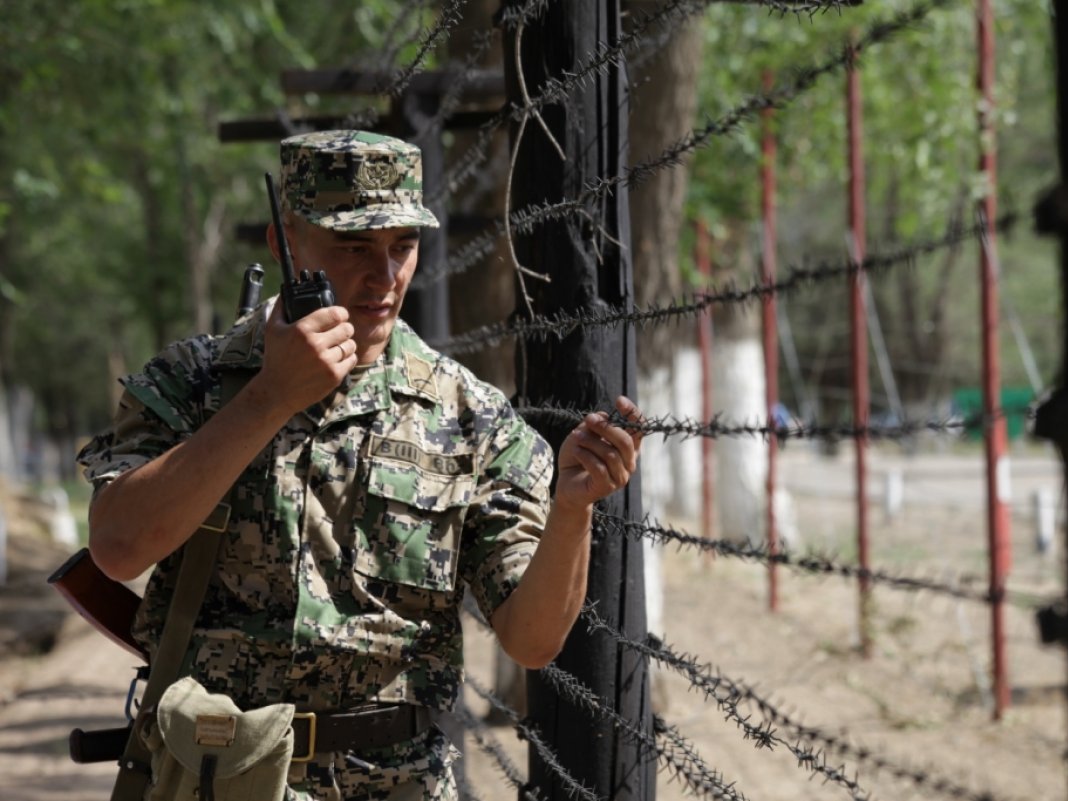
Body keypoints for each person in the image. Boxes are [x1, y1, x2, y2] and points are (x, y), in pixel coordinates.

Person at [77, 129, 644, 801]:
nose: (386, 276)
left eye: (403, 246)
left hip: (396, 782)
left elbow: (531, 639)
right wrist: (269, 398)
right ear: (284, 242)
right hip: (220, 774)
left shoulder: (470, 415)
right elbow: (117, 546)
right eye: (353, 247)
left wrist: (573, 509)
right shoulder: (194, 382)